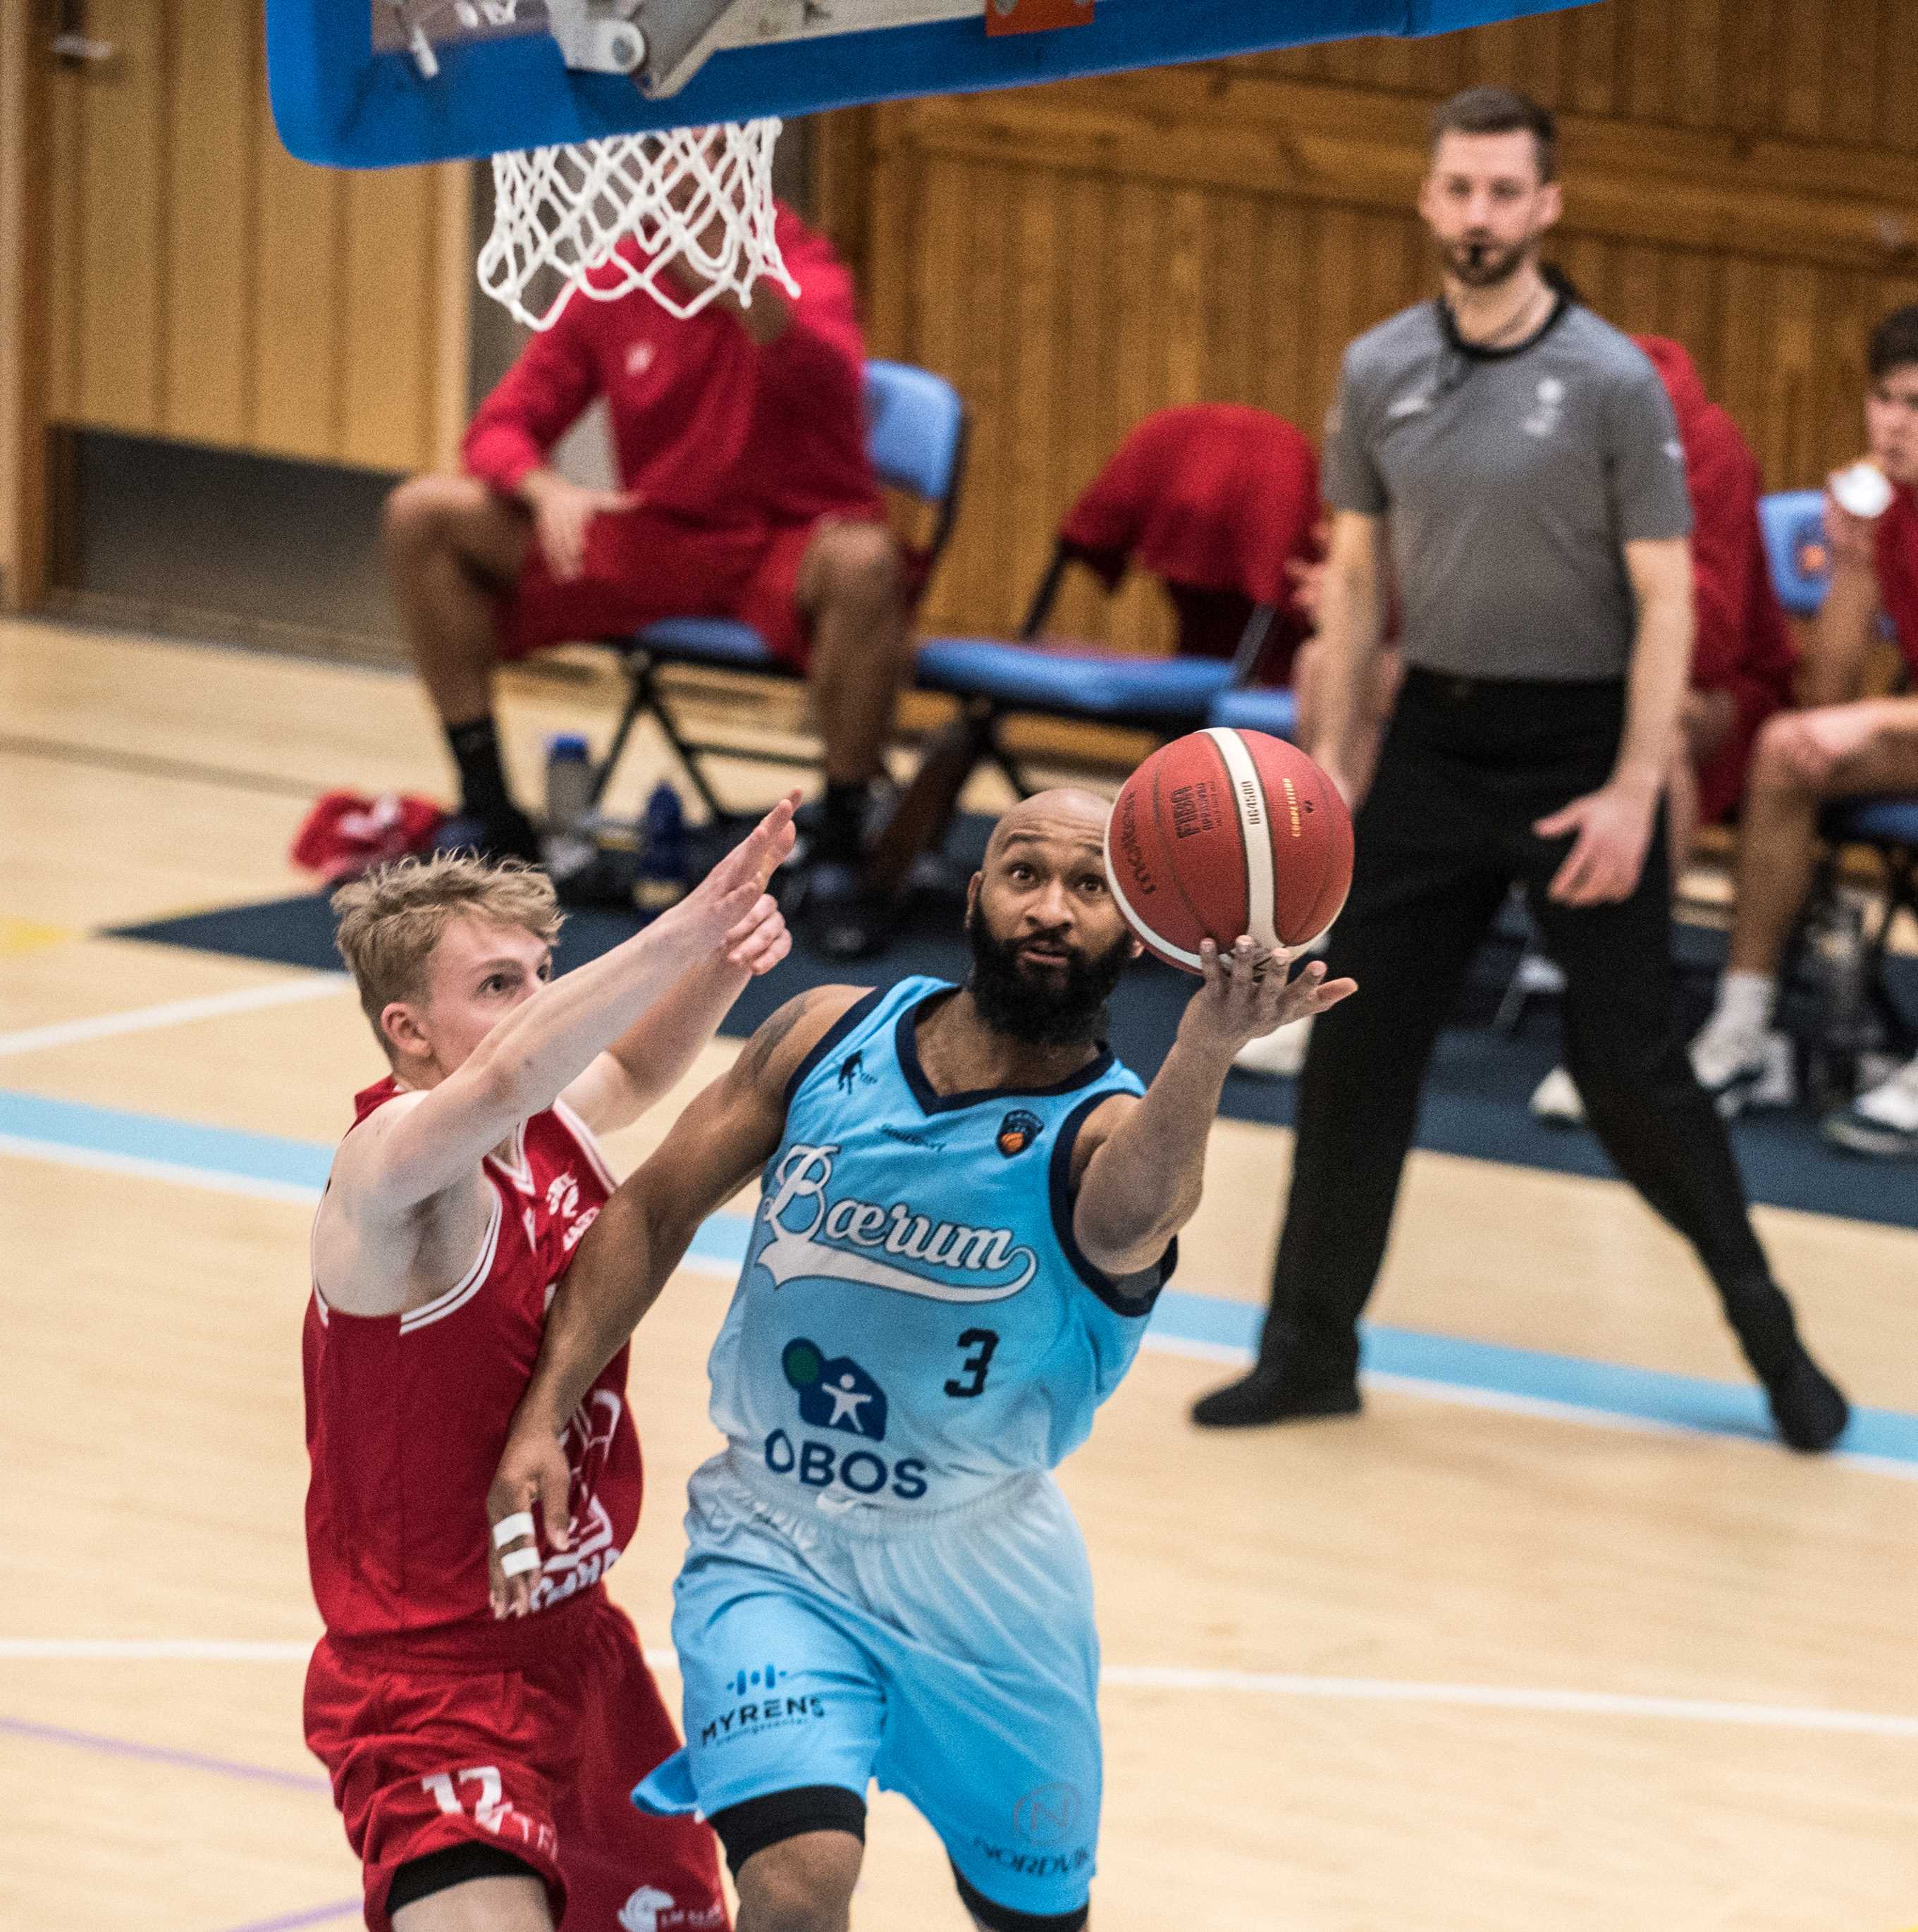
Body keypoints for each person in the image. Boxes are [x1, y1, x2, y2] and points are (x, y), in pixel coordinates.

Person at [481, 789, 1354, 1932]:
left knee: (1031, 1916)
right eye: (1022, 873)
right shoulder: (824, 1037)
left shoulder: (1106, 1136)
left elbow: (1140, 1215)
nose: (1049, 907)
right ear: (975, 893)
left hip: (987, 1586)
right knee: (796, 1887)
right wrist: (543, 1409)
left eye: (1088, 887)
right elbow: (650, 1211)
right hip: (771, 1546)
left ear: (1138, 930)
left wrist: (1204, 1049)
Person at [1191, 85, 1850, 1452]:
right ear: (1426, 200)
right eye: (1460, 190)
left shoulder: (1613, 382)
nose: (1480, 215)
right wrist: (1328, 773)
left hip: (1577, 749)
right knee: (1356, 1045)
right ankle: (1306, 1350)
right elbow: (1359, 575)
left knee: (1630, 1077)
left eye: (1506, 192)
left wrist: (1626, 787)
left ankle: (1772, 1341)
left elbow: (1667, 602)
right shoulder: (1378, 368)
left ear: (1545, 206)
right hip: (1431, 737)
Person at [304, 799, 794, 1932]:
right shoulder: (389, 1174)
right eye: (497, 987)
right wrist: (684, 925)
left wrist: (720, 964)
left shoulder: (546, 1123)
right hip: (427, 1685)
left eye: (539, 976)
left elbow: (626, 1066)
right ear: (408, 1028)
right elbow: (507, 1079)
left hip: (578, 1654)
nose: (536, 1008)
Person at [383, 202, 913, 950]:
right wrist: (546, 487)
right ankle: (492, 810)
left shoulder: (805, 269)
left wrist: (751, 299)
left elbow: (838, 398)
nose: (689, 170)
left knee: (867, 564)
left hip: (784, 540)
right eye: (671, 153)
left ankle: (839, 850)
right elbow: (500, 426)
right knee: (422, 513)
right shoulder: (615, 279)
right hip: (659, 535)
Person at [1529, 332, 1799, 1123]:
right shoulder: (1531, 432)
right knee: (1374, 675)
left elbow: (1707, 639)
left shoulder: (1706, 445)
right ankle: (1329, 972)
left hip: (1717, 692)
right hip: (1569, 670)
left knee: (1659, 729)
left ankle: (1618, 1020)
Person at [1688, 304, 1918, 1157]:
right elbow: (1821, 704)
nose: (1895, 423)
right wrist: (1853, 565)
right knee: (1787, 750)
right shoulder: (1884, 507)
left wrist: (1868, 714)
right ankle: (1743, 1022)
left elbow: (1851, 714)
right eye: (1886, 399)